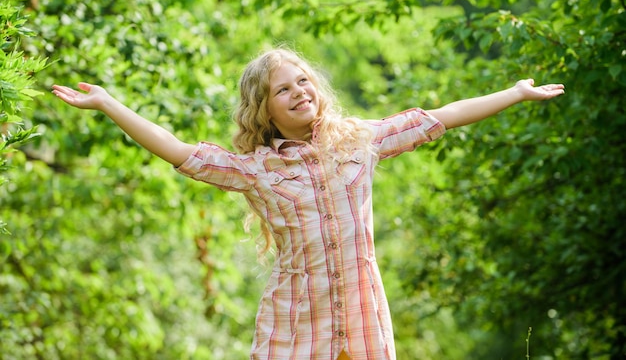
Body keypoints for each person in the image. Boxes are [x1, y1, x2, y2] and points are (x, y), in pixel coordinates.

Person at [52, 48, 564, 360]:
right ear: (264, 108)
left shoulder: (360, 140)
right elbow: (179, 150)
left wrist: (514, 93)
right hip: (296, 322)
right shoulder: (256, 168)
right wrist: (108, 102)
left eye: (304, 81)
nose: (299, 92)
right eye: (283, 89)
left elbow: (443, 115)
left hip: (363, 314)